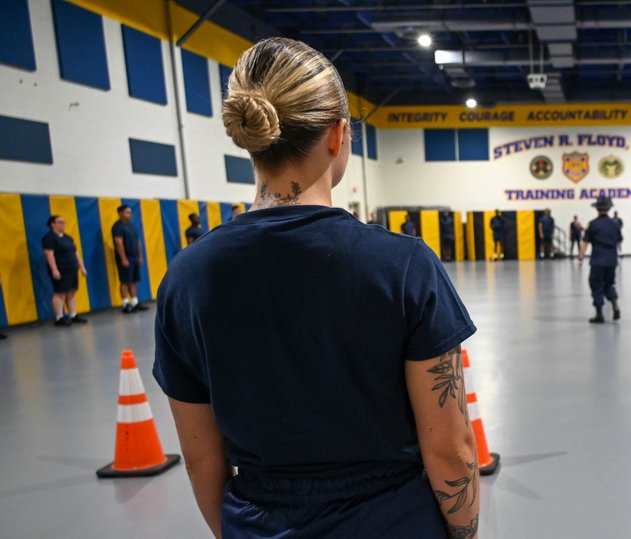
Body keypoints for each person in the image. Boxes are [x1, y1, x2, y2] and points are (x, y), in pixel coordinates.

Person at [154, 37, 479, 538]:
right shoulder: (404, 266)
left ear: (251, 137)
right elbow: (450, 449)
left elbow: (201, 459)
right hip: (391, 521)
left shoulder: (188, 277)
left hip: (259, 520)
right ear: (338, 135)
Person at [580, 196, 622, 323]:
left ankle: (599, 314)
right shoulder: (615, 225)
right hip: (611, 260)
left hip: (597, 260)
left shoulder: (592, 225)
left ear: (597, 208)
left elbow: (585, 242)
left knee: (596, 285)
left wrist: (580, 257)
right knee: (609, 283)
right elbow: (619, 240)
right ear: (609, 208)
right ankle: (614, 303)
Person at [42, 215, 88, 326]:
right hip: (61, 269)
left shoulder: (68, 238)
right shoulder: (49, 238)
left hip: (72, 268)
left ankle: (73, 315)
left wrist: (82, 267)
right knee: (60, 293)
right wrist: (54, 270)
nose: (63, 224)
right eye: (60, 222)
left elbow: (75, 253)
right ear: (52, 224)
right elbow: (49, 254)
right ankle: (59, 317)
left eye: (64, 222)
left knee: (71, 291)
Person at [111, 205, 147, 314]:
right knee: (125, 281)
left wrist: (140, 256)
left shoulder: (132, 226)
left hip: (134, 257)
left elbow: (138, 242)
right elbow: (119, 243)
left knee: (133, 281)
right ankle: (125, 304)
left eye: (130, 212)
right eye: (127, 212)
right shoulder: (117, 227)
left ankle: (134, 302)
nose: (130, 214)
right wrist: (123, 258)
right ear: (120, 213)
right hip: (126, 258)